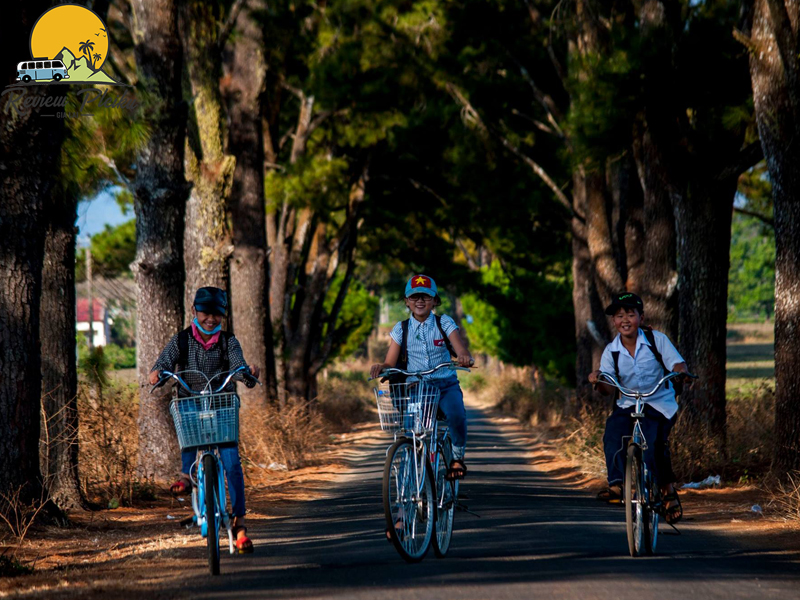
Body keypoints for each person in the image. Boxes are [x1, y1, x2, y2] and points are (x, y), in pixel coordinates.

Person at [149, 286, 260, 553]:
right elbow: (164, 361)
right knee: (188, 434)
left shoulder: (228, 341)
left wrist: (247, 372)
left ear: (223, 315)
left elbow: (237, 363)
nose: (211, 319)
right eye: (205, 313)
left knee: (232, 463)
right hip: (189, 401)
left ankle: (240, 523)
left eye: (217, 314)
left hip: (221, 404)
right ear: (195, 311)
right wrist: (157, 373)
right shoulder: (182, 340)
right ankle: (186, 477)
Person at [588, 292, 688, 524]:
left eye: (630, 314)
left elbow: (677, 362)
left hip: (659, 403)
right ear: (614, 321)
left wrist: (681, 373)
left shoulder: (656, 340)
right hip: (629, 403)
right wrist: (598, 379)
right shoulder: (611, 351)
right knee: (613, 431)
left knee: (654, 441)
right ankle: (616, 485)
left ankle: (667, 492)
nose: (625, 320)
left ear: (641, 318)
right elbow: (607, 389)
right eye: (619, 315)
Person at [369, 274, 473, 479]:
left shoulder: (444, 322)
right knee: (415, 430)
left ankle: (457, 457)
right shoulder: (401, 329)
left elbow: (461, 349)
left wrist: (463, 357)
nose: (420, 301)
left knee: (456, 415)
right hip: (417, 388)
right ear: (407, 301)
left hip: (445, 385)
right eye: (414, 297)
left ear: (435, 300)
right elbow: (390, 361)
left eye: (425, 297)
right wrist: (382, 366)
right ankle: (414, 473)